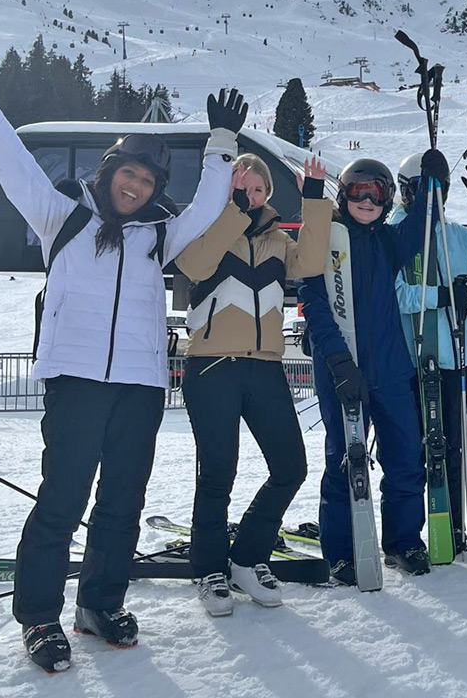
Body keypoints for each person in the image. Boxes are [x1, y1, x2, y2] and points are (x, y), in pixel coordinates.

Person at [0, 15, 236, 672]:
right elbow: (11, 160)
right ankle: (40, 618)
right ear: (110, 171)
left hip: (138, 386)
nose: (135, 188)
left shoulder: (161, 236)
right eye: (128, 175)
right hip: (76, 380)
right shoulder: (64, 217)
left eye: (147, 183)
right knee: (63, 498)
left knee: (122, 503)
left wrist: (221, 144)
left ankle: (99, 603)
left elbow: (208, 206)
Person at [174, 153, 331, 616]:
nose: (252, 195)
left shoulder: (277, 241)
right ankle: (208, 570)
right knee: (218, 473)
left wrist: (315, 199)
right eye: (243, 187)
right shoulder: (204, 230)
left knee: (290, 466)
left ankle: (246, 556)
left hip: (264, 366)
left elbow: (313, 261)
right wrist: (233, 210)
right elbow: (196, 267)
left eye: (259, 189)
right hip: (211, 365)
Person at [299, 154, 442, 580]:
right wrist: (337, 360)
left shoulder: (388, 242)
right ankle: (341, 551)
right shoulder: (324, 240)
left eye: (376, 193)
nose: (367, 200)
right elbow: (315, 304)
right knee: (345, 460)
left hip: (392, 369)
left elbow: (421, 229)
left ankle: (403, 541)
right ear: (344, 195)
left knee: (404, 459)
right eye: (359, 191)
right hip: (341, 369)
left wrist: (430, 189)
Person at [390, 152, 467, 553]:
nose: (432, 200)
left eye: (438, 192)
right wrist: (441, 296)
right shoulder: (396, 233)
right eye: (425, 190)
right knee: (417, 451)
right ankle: (412, 533)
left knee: (452, 447)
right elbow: (399, 296)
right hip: (414, 360)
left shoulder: (453, 233)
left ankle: (453, 527)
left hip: (454, 357)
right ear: (407, 192)